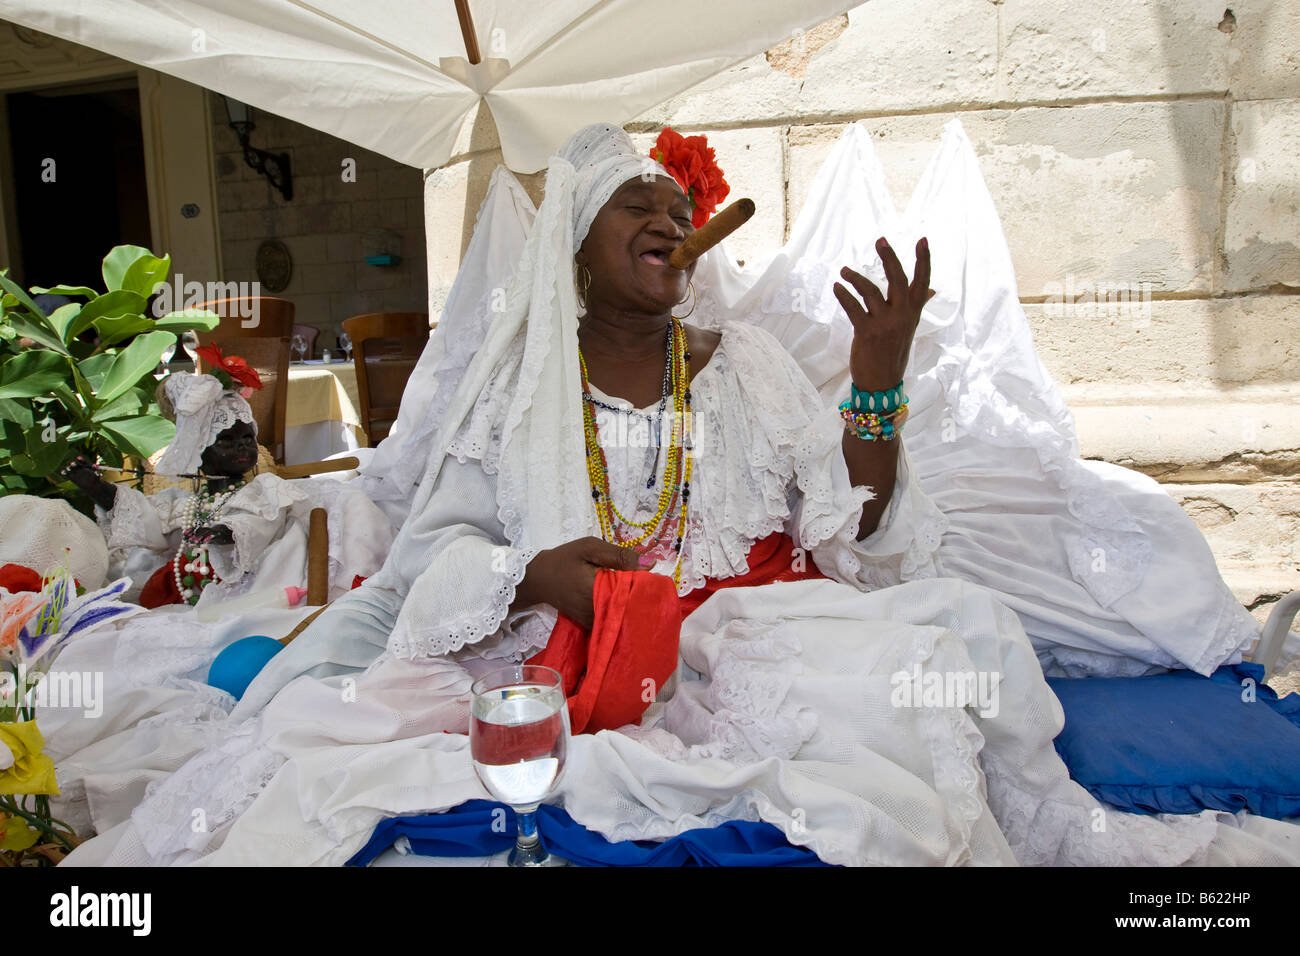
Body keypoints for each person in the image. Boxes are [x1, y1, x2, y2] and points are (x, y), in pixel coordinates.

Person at [54, 122, 1297, 866]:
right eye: (638, 205)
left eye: (679, 208)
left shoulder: (746, 363)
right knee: (329, 770)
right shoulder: (518, 383)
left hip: (746, 629)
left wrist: (875, 386)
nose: (670, 219)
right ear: (577, 244)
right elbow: (434, 545)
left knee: (920, 673)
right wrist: (529, 573)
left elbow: (852, 530)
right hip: (554, 647)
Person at [65, 357, 393, 608]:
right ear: (200, 452)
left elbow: (261, 523)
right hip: (199, 588)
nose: (242, 448)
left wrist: (224, 532)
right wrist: (100, 490)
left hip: (258, 580)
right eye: (227, 441)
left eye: (247, 439)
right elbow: (147, 518)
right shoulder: (186, 501)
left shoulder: (265, 489)